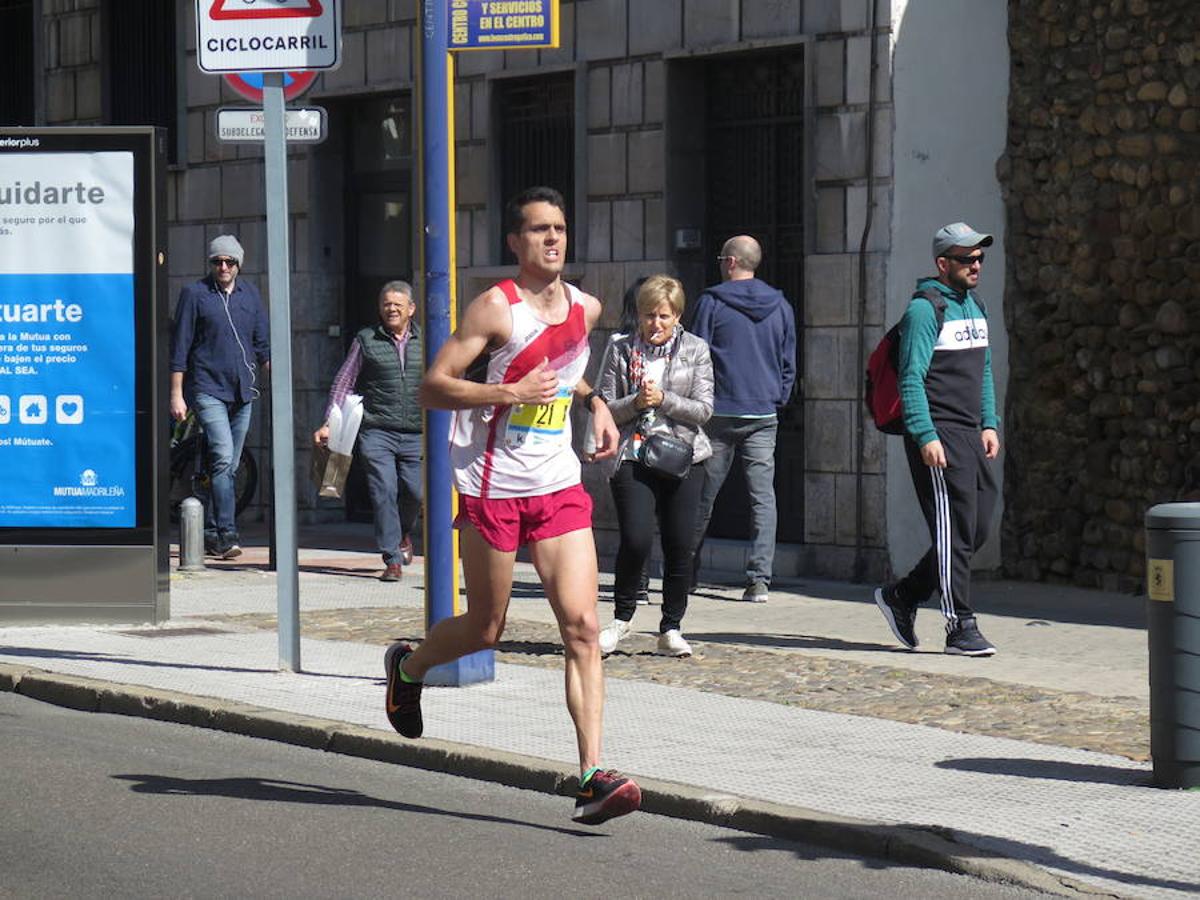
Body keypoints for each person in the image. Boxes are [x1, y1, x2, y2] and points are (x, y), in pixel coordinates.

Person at [383, 186, 642, 825]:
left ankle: (591, 776)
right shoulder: (494, 310)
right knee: (486, 628)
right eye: (538, 230)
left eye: (559, 228)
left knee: (582, 627)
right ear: (515, 243)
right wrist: (507, 392)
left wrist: (595, 402)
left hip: (557, 486)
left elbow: (570, 366)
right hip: (493, 490)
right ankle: (408, 668)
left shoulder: (586, 307)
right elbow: (432, 387)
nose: (552, 239)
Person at [873, 222, 1001, 657]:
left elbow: (983, 369)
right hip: (938, 434)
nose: (976, 265)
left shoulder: (975, 305)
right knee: (953, 530)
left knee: (976, 528)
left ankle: (904, 595)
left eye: (980, 258)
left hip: (970, 432)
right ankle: (959, 625)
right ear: (943, 264)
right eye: (967, 259)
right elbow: (911, 379)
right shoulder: (925, 311)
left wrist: (990, 422)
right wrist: (925, 435)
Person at [595, 275, 713, 658]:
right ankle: (621, 618)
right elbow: (604, 405)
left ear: (677, 316)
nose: (655, 324)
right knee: (637, 537)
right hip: (633, 454)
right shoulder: (620, 349)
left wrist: (664, 399)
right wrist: (637, 403)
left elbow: (704, 410)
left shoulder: (696, 350)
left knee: (680, 545)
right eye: (648, 316)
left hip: (683, 456)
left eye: (663, 316)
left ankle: (671, 628)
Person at [689, 235, 796, 602]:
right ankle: (759, 581)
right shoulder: (781, 305)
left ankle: (686, 572)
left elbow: (694, 354)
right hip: (763, 411)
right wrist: (777, 395)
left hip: (718, 410)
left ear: (731, 262)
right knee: (763, 498)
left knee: (703, 495)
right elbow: (788, 359)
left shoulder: (711, 302)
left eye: (722, 258)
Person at [314, 281, 423, 583]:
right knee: (383, 490)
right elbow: (343, 382)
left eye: (398, 305)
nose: (391, 309)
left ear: (411, 309)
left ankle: (402, 534)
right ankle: (392, 558)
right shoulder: (366, 339)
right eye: (386, 304)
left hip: (416, 432)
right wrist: (328, 422)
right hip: (377, 431)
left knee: (415, 492)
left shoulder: (427, 341)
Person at [169, 234, 270, 560]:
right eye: (217, 261)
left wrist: (275, 380)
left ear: (239, 264)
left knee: (228, 465)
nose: (223, 266)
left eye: (229, 261)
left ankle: (211, 531)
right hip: (207, 388)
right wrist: (176, 394)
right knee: (224, 458)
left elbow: (262, 343)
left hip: (243, 390)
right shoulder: (195, 295)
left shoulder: (250, 295)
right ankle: (227, 535)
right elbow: (180, 347)